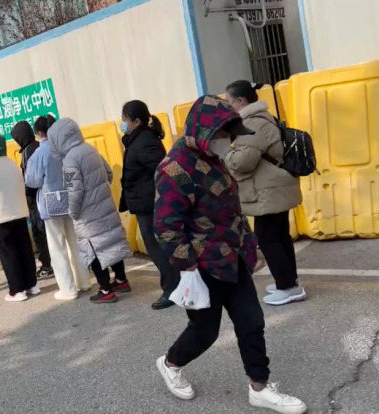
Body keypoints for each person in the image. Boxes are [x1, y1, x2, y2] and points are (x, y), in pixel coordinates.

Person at [153, 95, 306, 414]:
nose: (230, 141)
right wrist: (188, 268)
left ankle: (260, 387)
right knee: (205, 332)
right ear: (204, 131)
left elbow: (232, 210)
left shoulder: (215, 159)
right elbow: (167, 226)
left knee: (252, 321)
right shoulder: (174, 169)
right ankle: (170, 363)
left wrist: (250, 248)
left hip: (232, 259)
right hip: (202, 264)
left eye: (231, 134)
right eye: (224, 134)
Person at [224, 80, 305, 306]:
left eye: (229, 102)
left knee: (269, 238)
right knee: (279, 236)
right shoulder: (262, 118)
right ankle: (289, 281)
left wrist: (224, 154)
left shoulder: (252, 123)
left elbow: (242, 162)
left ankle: (288, 287)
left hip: (267, 191)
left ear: (240, 101)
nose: (228, 108)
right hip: (273, 187)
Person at [48, 118, 132, 304]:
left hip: (87, 214)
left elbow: (75, 190)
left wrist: (74, 212)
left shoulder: (70, 159)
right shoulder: (89, 149)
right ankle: (121, 280)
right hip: (104, 206)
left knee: (93, 249)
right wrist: (100, 191)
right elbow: (108, 172)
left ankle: (105, 290)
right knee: (110, 243)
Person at [119, 100, 180, 310]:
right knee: (157, 247)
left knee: (157, 248)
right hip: (145, 202)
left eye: (125, 119)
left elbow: (163, 168)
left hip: (151, 203)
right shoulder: (137, 138)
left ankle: (173, 288)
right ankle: (174, 285)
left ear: (136, 121)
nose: (122, 123)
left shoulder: (144, 140)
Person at [25, 115, 91, 301]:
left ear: (39, 133)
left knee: (57, 247)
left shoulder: (40, 153)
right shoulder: (66, 147)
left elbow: (32, 180)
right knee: (75, 243)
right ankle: (84, 281)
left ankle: (68, 289)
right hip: (71, 199)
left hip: (51, 203)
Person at [0, 133, 39, 302]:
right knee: (25, 250)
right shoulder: (11, 164)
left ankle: (17, 291)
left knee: (8, 254)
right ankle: (32, 285)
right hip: (19, 213)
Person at [11, 121, 54, 280]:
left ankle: (47, 265)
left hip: (36, 199)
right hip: (41, 198)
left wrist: (26, 195)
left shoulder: (30, 151)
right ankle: (49, 263)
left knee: (40, 233)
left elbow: (31, 179)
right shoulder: (34, 147)